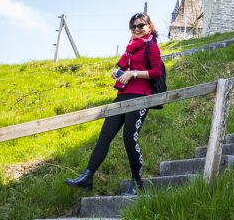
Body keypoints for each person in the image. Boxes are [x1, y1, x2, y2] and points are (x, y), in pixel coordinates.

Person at [65, 12, 164, 195]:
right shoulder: (130, 48)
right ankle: (88, 176)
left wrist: (133, 73)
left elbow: (156, 72)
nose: (137, 29)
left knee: (129, 138)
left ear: (149, 27)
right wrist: (119, 72)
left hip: (140, 98)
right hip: (122, 95)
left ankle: (137, 182)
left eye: (141, 25)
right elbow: (126, 69)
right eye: (133, 26)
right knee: (105, 136)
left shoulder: (151, 46)